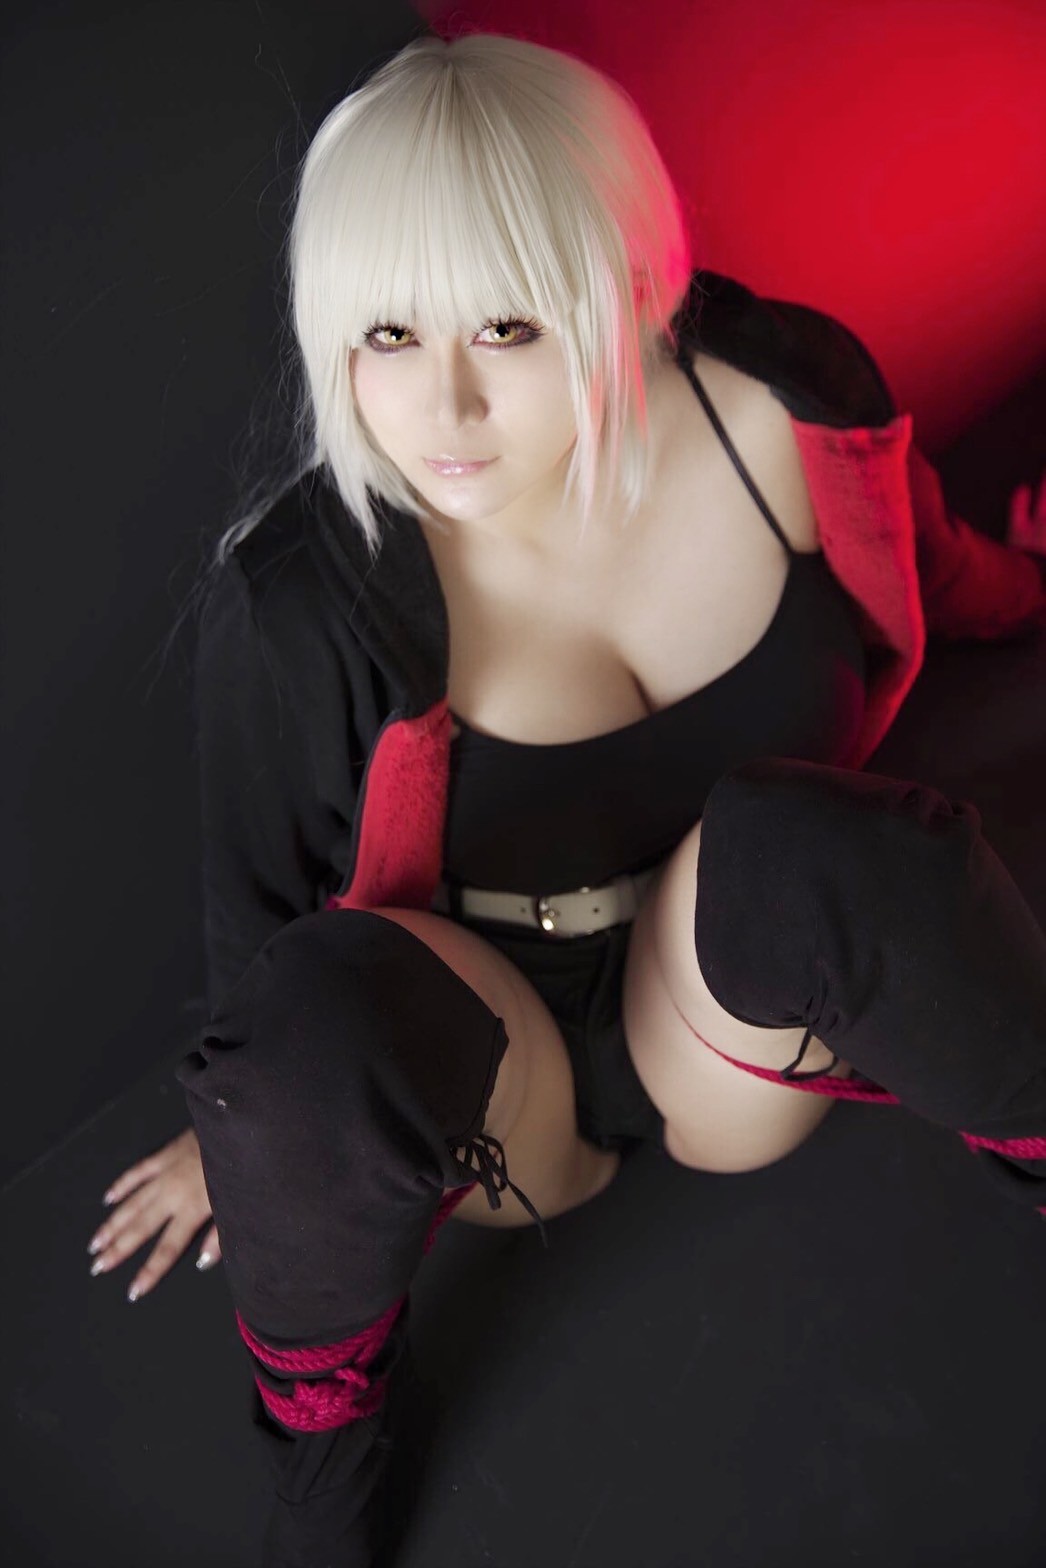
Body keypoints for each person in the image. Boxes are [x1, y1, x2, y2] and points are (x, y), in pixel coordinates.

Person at [85, 30, 1046, 1565]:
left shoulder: (784, 406)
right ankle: (323, 1464)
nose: (441, 408)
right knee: (309, 1025)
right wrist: (243, 1131)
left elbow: (914, 550)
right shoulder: (305, 599)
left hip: (733, 1003)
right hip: (489, 1082)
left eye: (507, 326)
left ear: (633, 287)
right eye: (385, 333)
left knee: (836, 852)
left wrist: (1019, 587)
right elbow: (259, 915)